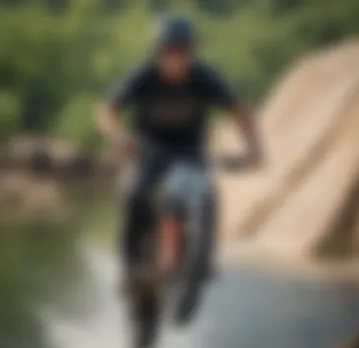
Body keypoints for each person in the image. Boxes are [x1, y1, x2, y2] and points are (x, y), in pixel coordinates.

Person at [97, 15, 263, 292]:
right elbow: (107, 110)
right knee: (132, 196)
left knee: (203, 194)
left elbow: (239, 110)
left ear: (191, 52)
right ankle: (128, 269)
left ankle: (202, 259)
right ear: (157, 52)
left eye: (181, 51)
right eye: (167, 51)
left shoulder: (205, 77)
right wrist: (118, 135)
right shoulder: (143, 76)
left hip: (189, 151)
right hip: (148, 150)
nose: (174, 58)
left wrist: (255, 148)